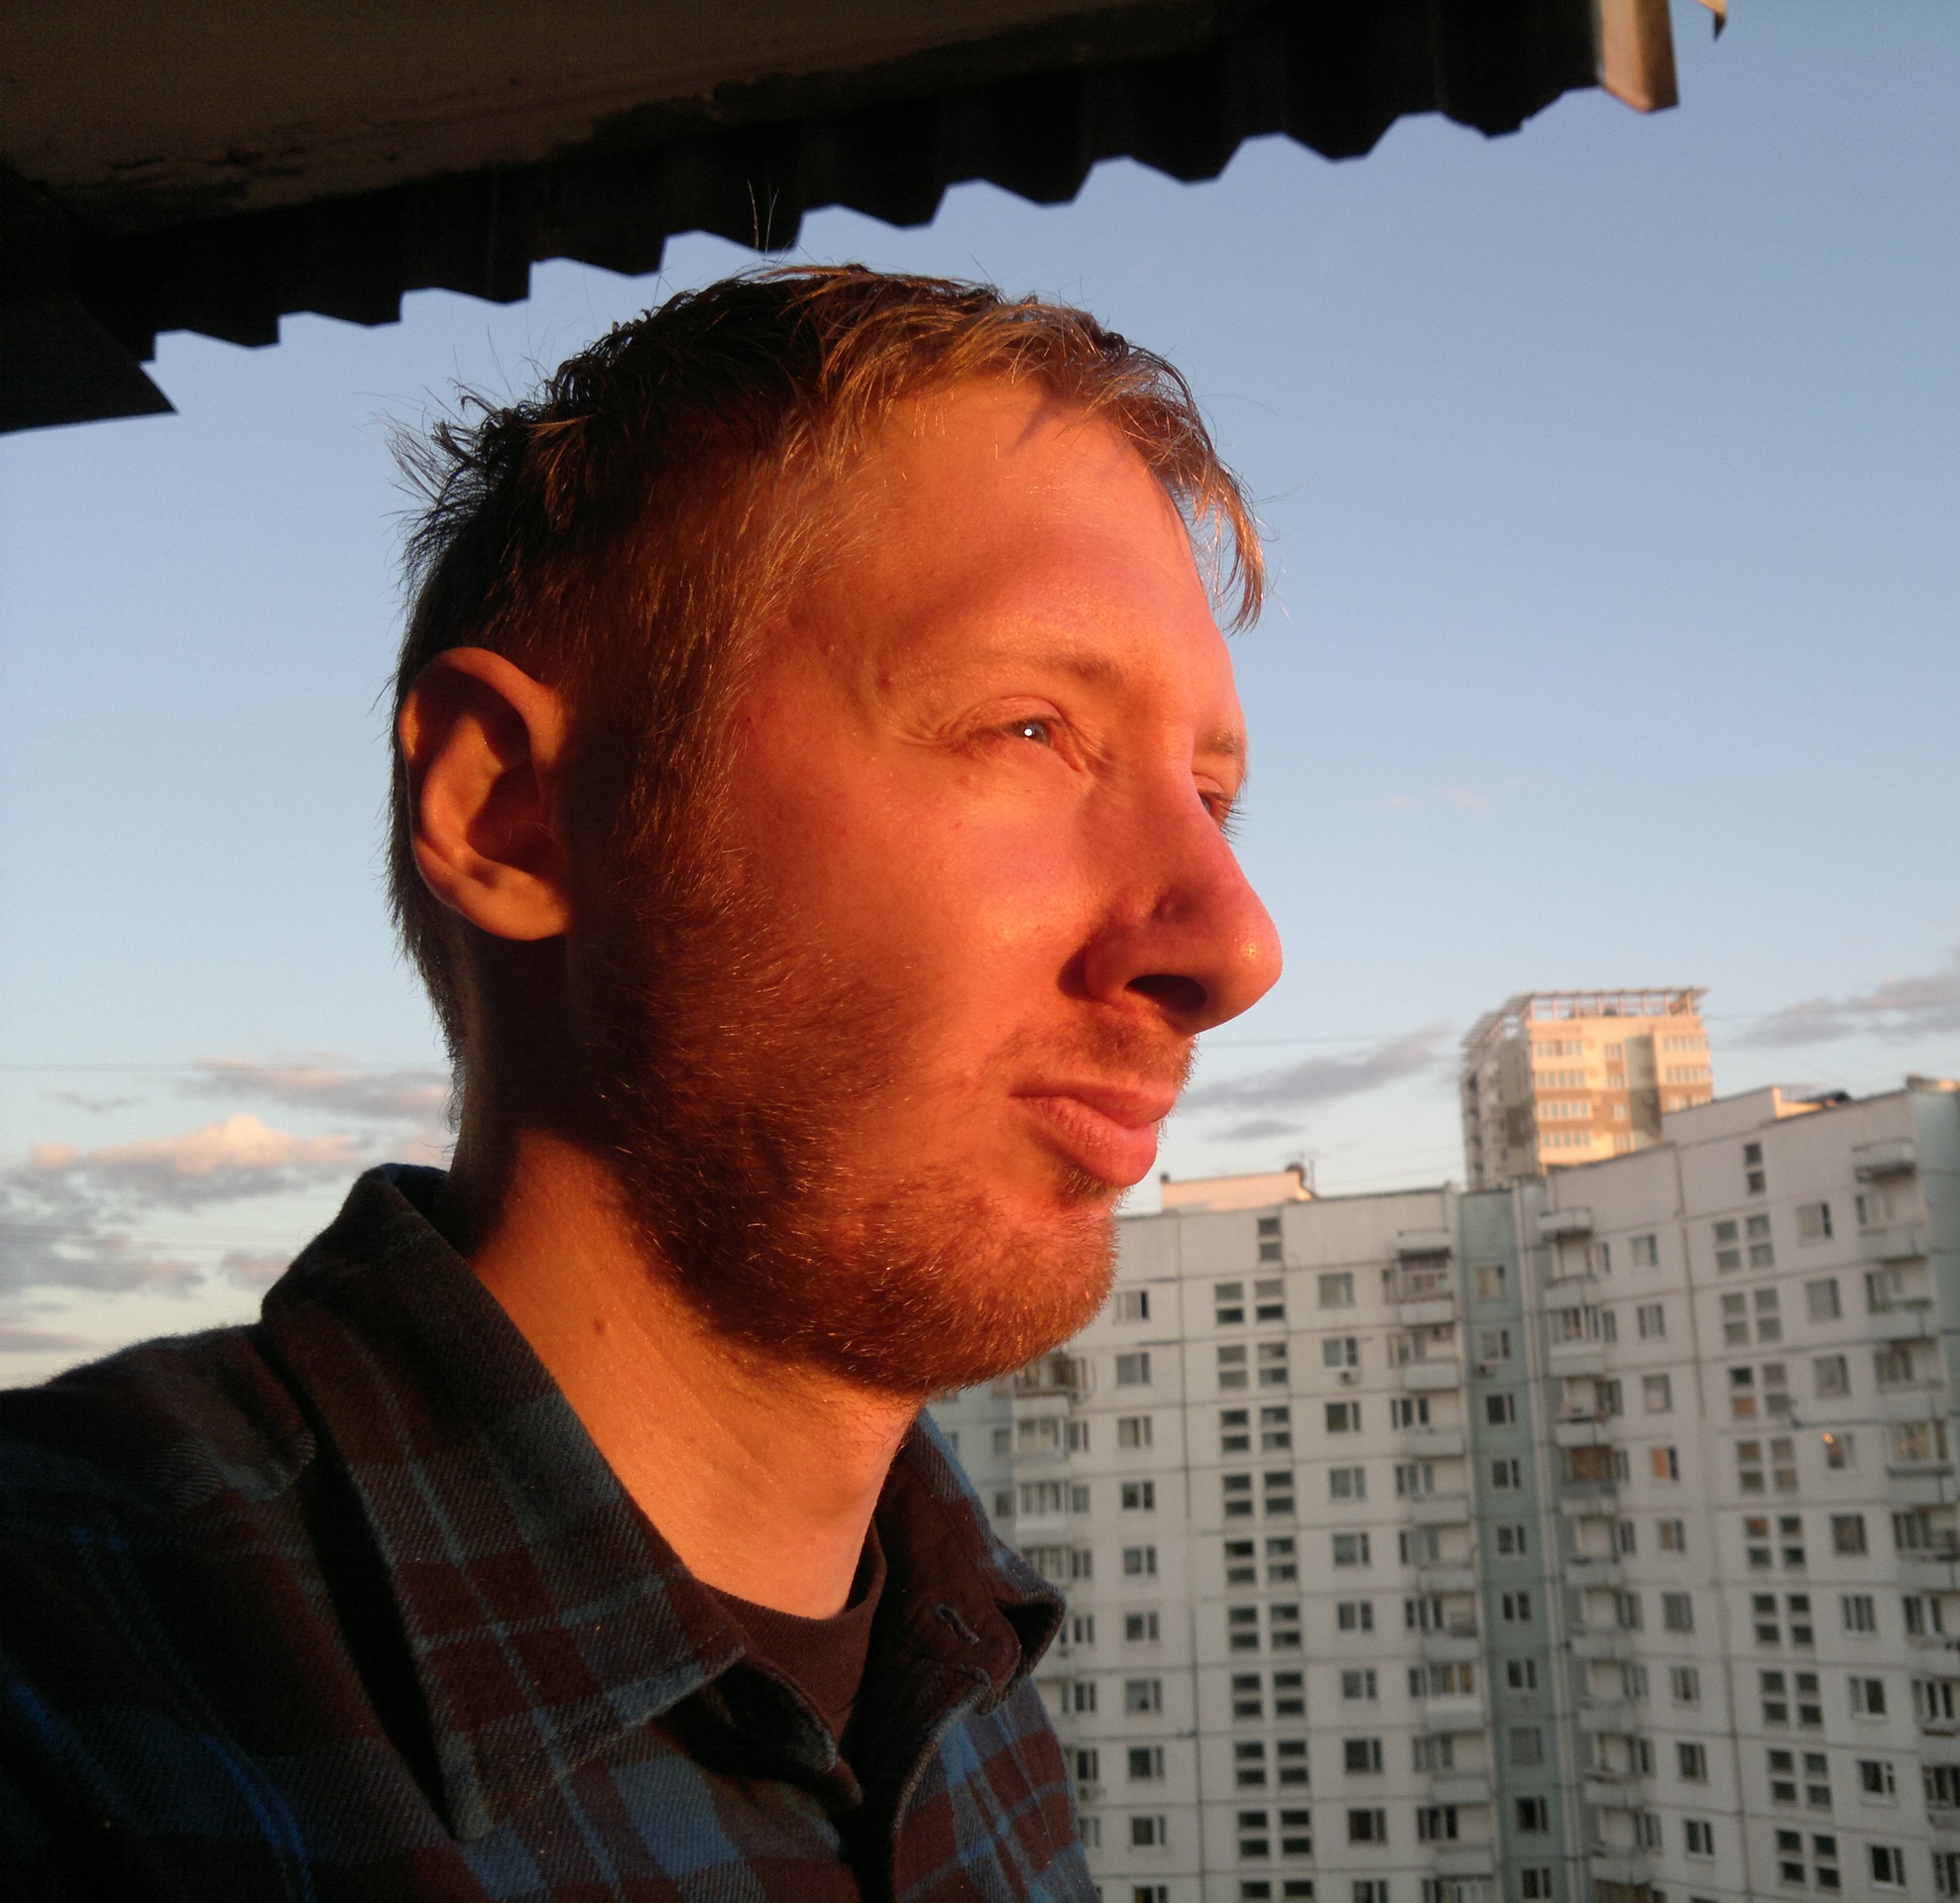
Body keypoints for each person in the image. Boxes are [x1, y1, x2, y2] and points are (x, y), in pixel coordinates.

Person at [0, 267, 1283, 1899]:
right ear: (511, 811)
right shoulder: (80, 1682)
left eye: (1212, 797)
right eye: (1030, 730)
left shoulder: (972, 1694)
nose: (1237, 945)